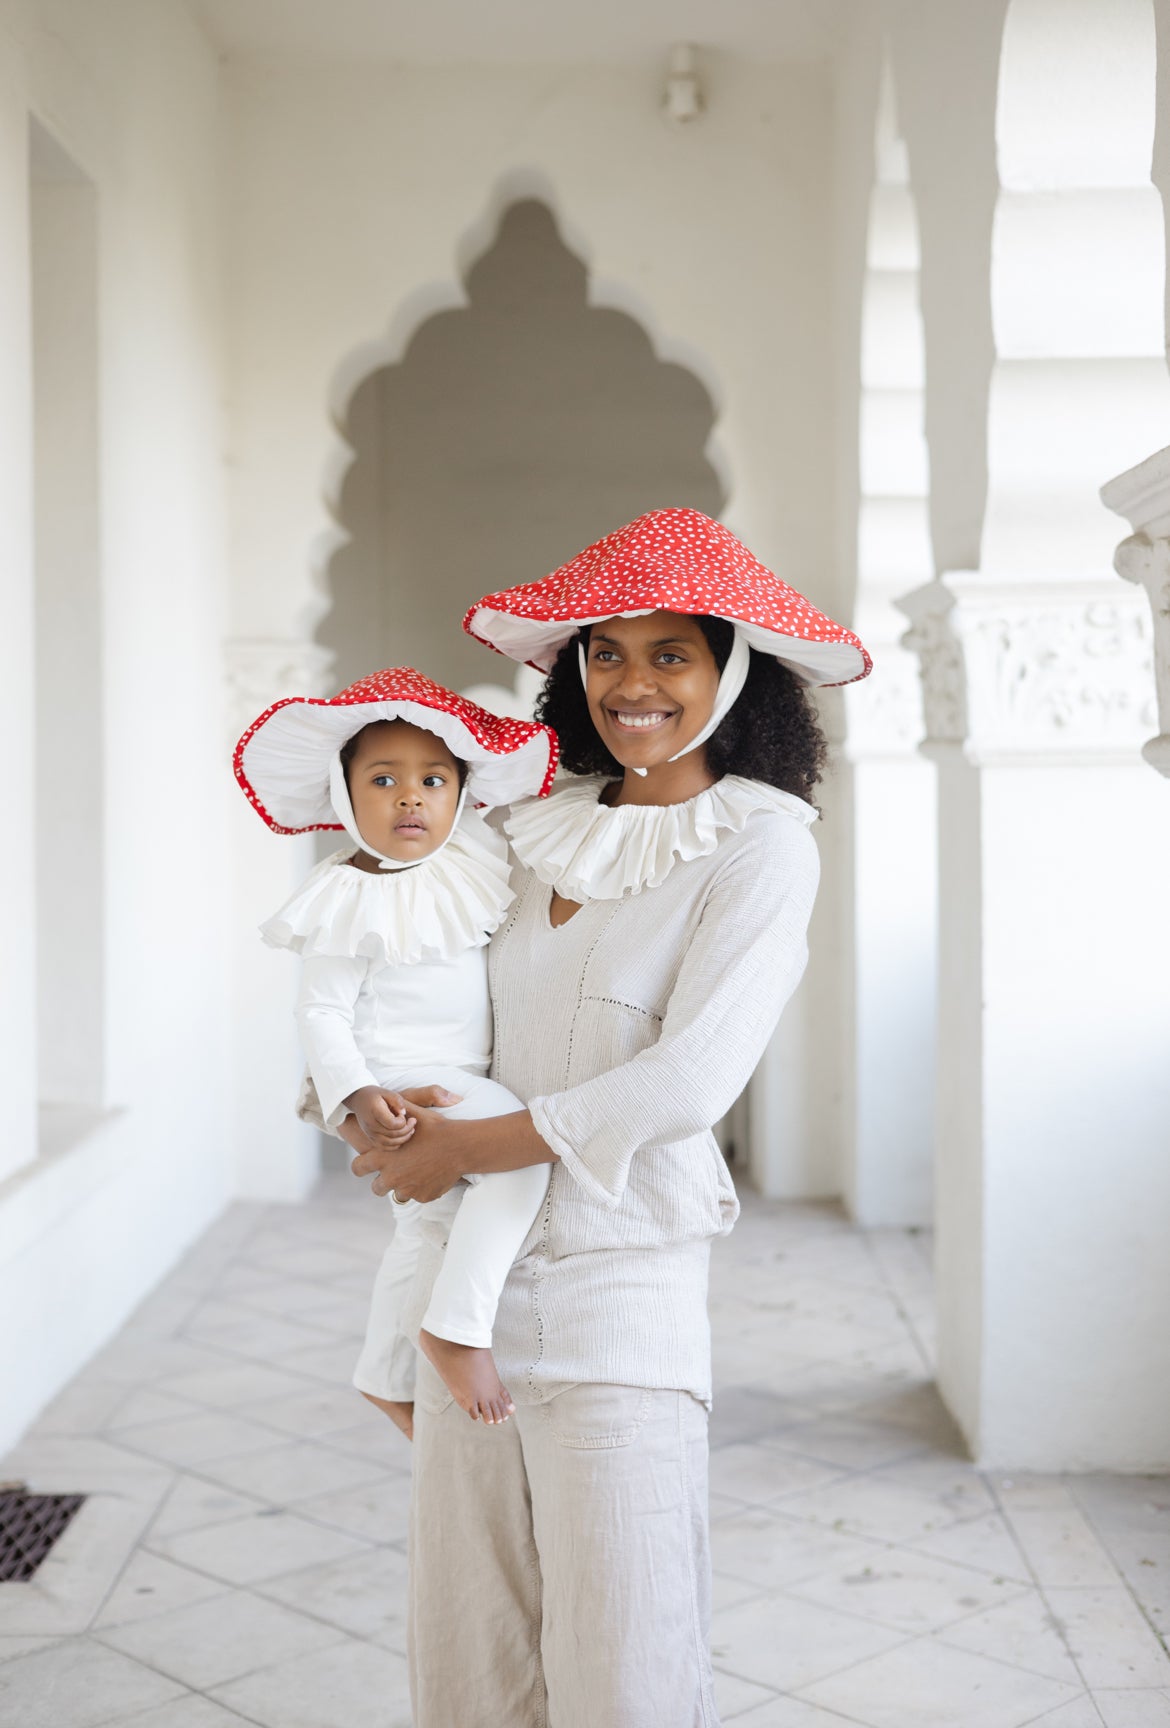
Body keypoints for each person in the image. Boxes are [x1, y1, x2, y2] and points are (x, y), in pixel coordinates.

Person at [336, 509, 871, 1727]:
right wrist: (366, 1104)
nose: (632, 683)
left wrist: (478, 1147)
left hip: (620, 1295)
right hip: (468, 1289)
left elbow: (691, 1080)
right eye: (606, 652)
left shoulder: (762, 847)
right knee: (471, 1659)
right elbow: (423, 987)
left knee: (623, 1668)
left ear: (733, 672)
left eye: (669, 653)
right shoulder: (531, 830)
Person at [234, 667, 557, 1428]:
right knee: (517, 1160)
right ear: (346, 797)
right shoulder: (346, 892)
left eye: (433, 779)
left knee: (429, 1227)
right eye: (383, 779)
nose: (411, 796)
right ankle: (457, 1328)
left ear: (460, 796)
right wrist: (355, 1092)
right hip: (413, 1081)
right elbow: (320, 1009)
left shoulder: (469, 868)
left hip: (462, 1071)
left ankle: (384, 1372)